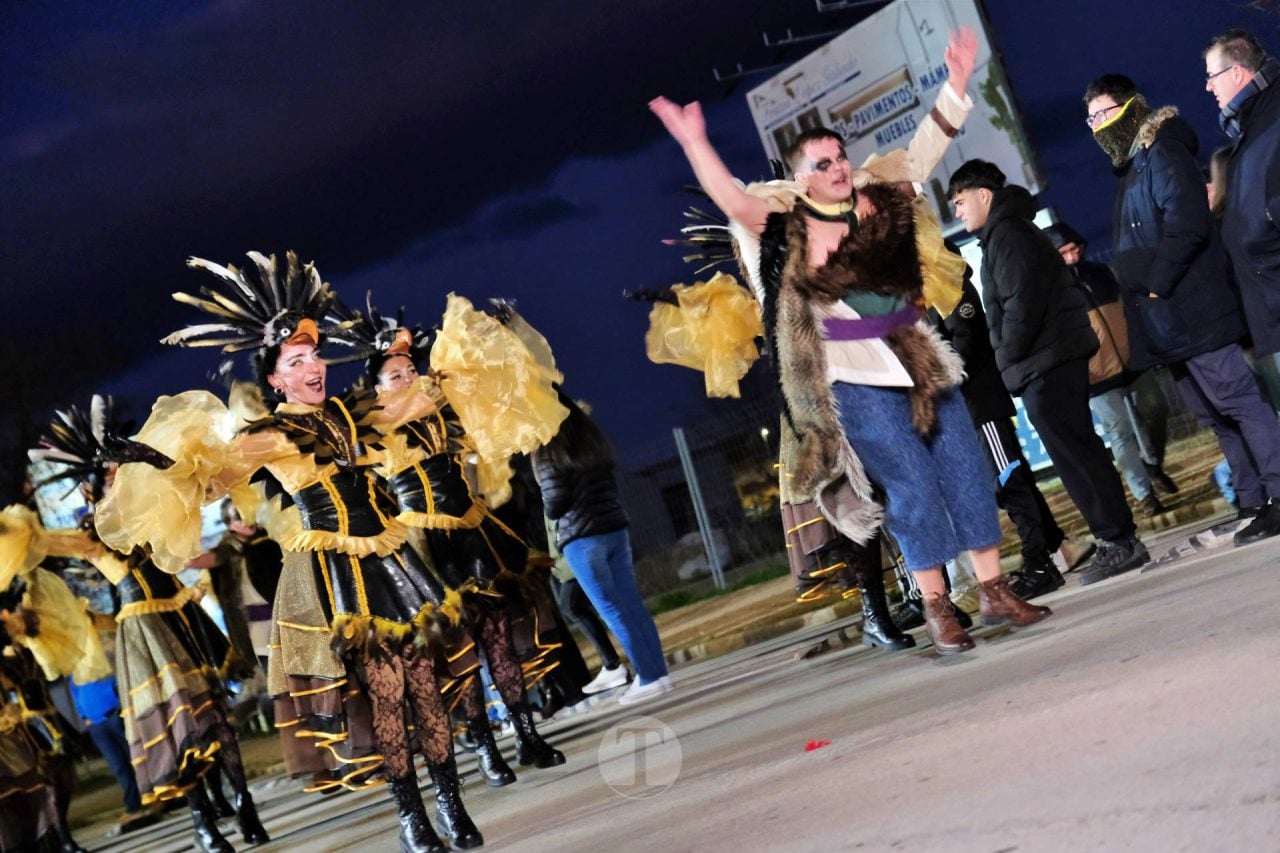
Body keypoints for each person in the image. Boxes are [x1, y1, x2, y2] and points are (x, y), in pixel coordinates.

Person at [650, 26, 1050, 656]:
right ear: (801, 177)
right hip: (852, 374)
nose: (838, 168)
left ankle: (994, 589)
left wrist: (957, 81)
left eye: (841, 157)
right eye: (822, 163)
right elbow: (730, 198)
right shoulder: (786, 223)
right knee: (912, 484)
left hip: (917, 354)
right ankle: (940, 608)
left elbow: (924, 151)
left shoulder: (874, 198)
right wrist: (695, 141)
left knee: (967, 467)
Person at [108, 252, 484, 853]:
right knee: (385, 689)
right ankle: (411, 813)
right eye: (296, 362)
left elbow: (417, 401)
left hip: (391, 559)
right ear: (276, 379)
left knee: (425, 684)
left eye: (315, 357)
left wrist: (448, 369)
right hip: (337, 574)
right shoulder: (270, 436)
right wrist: (158, 462)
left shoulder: (353, 412)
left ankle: (451, 800)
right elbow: (210, 479)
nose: (312, 369)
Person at [328, 298, 566, 787]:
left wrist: (496, 334)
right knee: (460, 653)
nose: (408, 378)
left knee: (498, 638)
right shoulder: (377, 422)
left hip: (474, 530)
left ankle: (526, 734)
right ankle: (484, 747)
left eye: (409, 369)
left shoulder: (440, 409)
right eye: (394, 375)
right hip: (429, 542)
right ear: (376, 387)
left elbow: (489, 385)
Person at [1084, 72, 1280, 547]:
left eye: (1103, 114)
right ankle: (1252, 501)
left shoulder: (1164, 153)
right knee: (1215, 416)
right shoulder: (1134, 167)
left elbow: (1187, 224)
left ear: (1133, 108)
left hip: (1195, 313)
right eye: (1089, 120)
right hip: (1169, 326)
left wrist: (1154, 285)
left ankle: (1277, 494)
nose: (1096, 127)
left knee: (1239, 402)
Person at [949, 160, 1150, 586]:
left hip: (1046, 362)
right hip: (1047, 359)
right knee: (1081, 451)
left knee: (1078, 455)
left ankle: (1118, 540)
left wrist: (1007, 357)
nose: (958, 213)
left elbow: (1022, 305)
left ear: (984, 195)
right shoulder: (1006, 232)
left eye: (960, 201)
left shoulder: (1008, 235)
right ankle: (1117, 537)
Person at [927, 252, 1068, 599]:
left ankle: (1039, 562)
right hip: (968, 409)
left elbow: (966, 345)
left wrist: (936, 379)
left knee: (1009, 482)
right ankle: (1056, 546)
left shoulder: (952, 288)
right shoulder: (930, 294)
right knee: (1009, 480)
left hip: (980, 405)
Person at [532, 394, 673, 701]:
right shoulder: (590, 437)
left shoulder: (547, 448)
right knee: (631, 604)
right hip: (614, 528)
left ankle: (648, 678)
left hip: (581, 539)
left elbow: (555, 504)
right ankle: (658, 674)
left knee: (612, 610)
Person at [1043, 222, 1176, 518]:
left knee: (1156, 409)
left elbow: (1128, 309)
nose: (1072, 257)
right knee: (1121, 433)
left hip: (1132, 361)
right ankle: (1144, 496)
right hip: (1096, 374)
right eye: (1063, 253)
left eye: (1074, 249)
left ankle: (1153, 463)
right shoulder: (1053, 292)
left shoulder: (1102, 273)